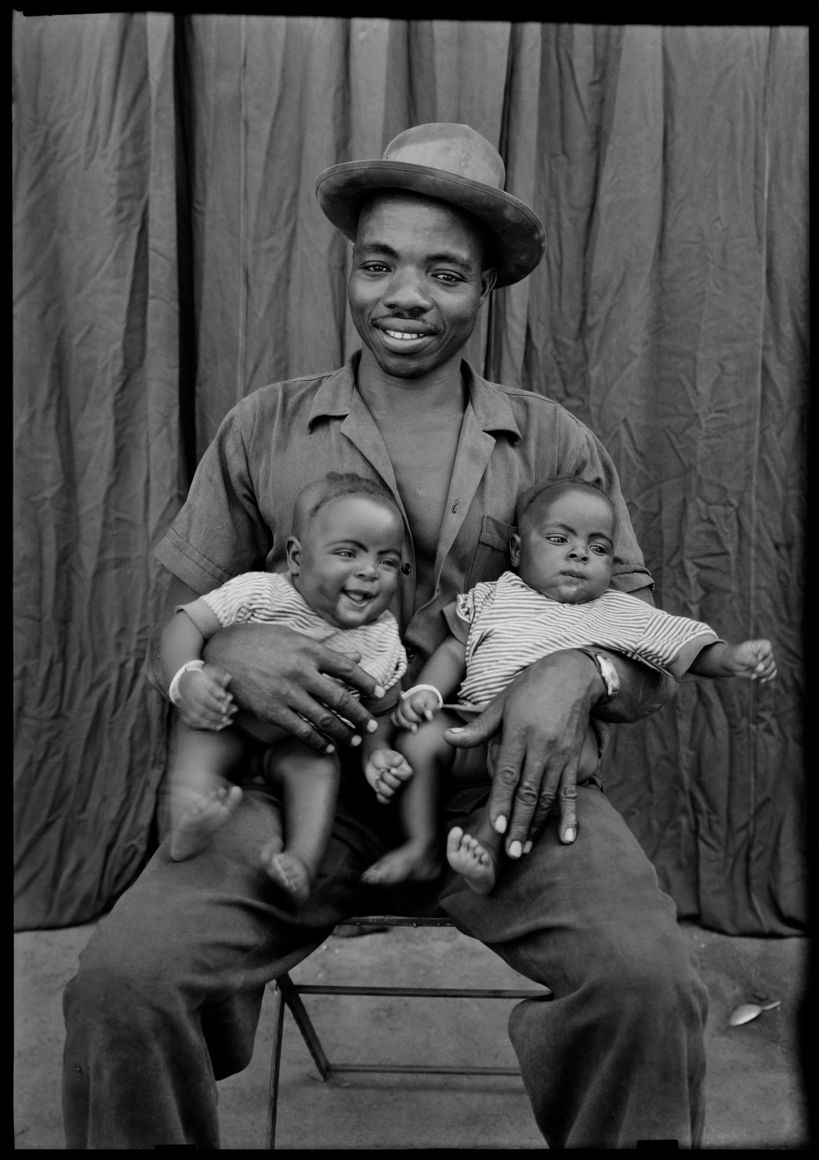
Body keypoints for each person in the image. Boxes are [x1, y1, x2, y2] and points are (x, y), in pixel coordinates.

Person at [62, 123, 713, 1149]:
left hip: (502, 792)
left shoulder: (553, 442)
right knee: (122, 984)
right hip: (295, 783)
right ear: (349, 268)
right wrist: (223, 656)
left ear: (488, 286)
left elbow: (643, 644)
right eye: (379, 263)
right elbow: (181, 629)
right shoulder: (263, 428)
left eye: (445, 271)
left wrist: (583, 668)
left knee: (648, 983)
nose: (406, 294)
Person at [376, 476, 777, 895]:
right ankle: (419, 845)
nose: (579, 553)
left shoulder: (617, 610)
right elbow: (455, 650)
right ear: (516, 550)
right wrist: (428, 692)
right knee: (418, 739)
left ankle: (488, 848)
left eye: (599, 548)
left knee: (539, 766)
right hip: (476, 721)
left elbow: (680, 644)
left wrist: (731, 658)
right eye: (558, 538)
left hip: (561, 736)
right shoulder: (493, 595)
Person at [159, 471, 417, 905]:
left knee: (319, 769)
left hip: (300, 743)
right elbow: (186, 621)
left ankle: (299, 862)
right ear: (297, 557)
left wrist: (378, 753)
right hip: (231, 719)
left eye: (387, 561)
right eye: (348, 553)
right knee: (199, 741)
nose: (370, 572)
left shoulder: (382, 636)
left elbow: (382, 708)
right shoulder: (258, 592)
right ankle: (187, 828)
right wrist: (188, 677)